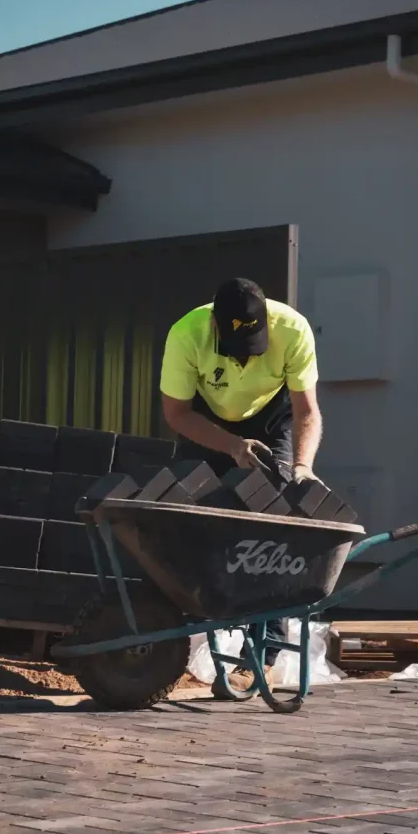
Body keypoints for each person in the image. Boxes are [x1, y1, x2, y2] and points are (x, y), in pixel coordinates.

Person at [159, 277, 323, 693]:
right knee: (187, 518)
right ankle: (181, 641)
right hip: (208, 421)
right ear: (215, 326)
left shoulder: (293, 330)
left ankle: (260, 657)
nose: (247, 363)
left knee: (275, 528)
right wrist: (231, 445)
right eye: (237, 352)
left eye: (254, 350)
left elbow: (307, 412)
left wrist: (302, 467)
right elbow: (177, 414)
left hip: (271, 420)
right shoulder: (186, 334)